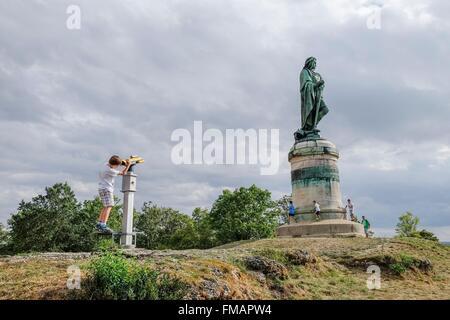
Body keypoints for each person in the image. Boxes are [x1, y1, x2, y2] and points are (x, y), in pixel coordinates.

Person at [96, 155, 131, 233]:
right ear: (114, 165)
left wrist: (123, 162)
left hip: (101, 188)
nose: (117, 167)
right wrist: (128, 165)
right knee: (109, 206)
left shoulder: (105, 165)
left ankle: (99, 223)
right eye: (117, 165)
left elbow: (115, 163)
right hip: (107, 189)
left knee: (105, 206)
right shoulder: (110, 171)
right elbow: (123, 173)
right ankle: (103, 225)